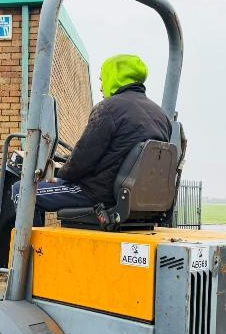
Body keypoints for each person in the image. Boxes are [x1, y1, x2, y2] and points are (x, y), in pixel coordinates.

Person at [12, 54, 172, 226]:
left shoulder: (108, 108)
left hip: (98, 194)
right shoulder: (161, 116)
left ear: (115, 77)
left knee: (21, 190)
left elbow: (82, 161)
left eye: (103, 80)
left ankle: (29, 244)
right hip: (135, 199)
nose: (101, 88)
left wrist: (59, 173)